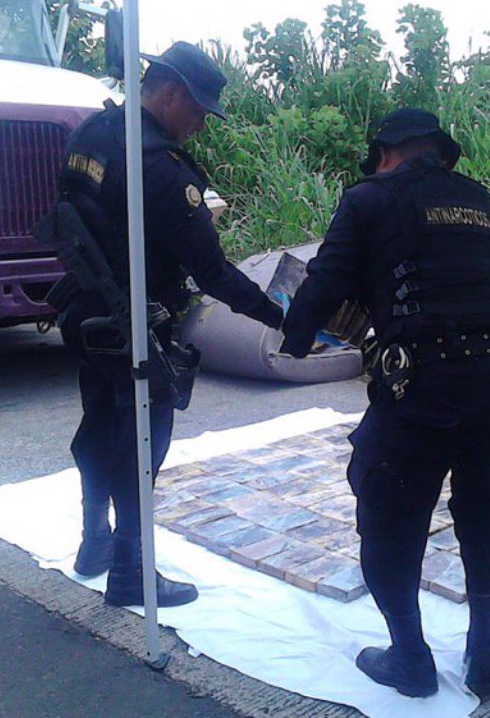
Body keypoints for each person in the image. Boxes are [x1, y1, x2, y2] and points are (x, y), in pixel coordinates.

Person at [280, 109, 490, 701]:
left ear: (384, 153)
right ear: (438, 153)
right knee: (482, 512)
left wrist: (294, 338)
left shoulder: (370, 197)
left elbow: (324, 284)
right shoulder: (477, 200)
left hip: (423, 390)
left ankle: (411, 660)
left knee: (389, 524)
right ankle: (484, 650)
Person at [57, 42, 283, 608]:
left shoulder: (93, 133)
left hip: (87, 312)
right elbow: (211, 270)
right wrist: (281, 316)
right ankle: (131, 571)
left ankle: (94, 543)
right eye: (199, 112)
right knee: (142, 446)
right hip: (139, 323)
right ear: (170, 92)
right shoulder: (159, 166)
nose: (201, 126)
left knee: (99, 426)